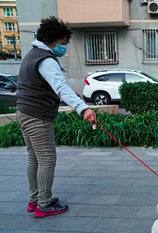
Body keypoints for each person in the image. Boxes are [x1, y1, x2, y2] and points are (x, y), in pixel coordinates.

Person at [16, 17, 97, 218]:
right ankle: (43, 204)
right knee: (47, 160)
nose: (64, 48)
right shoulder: (46, 60)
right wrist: (83, 108)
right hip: (37, 116)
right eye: (63, 43)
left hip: (24, 112)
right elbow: (61, 87)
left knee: (34, 158)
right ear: (53, 40)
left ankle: (35, 199)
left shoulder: (32, 55)